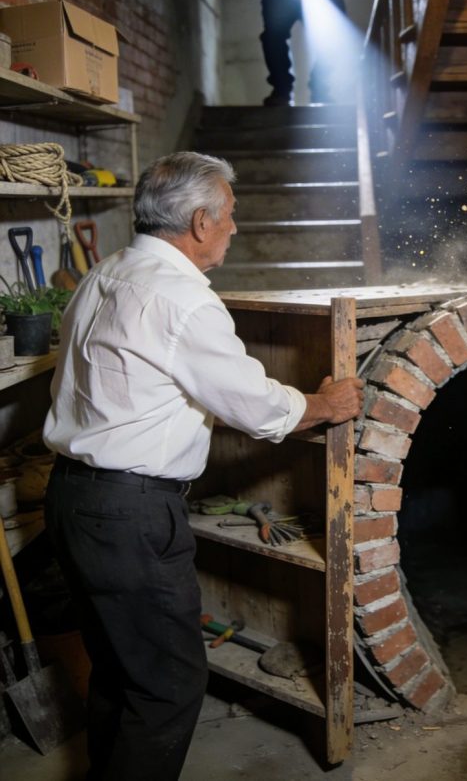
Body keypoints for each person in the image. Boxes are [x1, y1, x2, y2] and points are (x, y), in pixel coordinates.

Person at [43, 151, 364, 781]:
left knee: (119, 667)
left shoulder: (105, 272)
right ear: (198, 221)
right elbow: (254, 404)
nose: (234, 228)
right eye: (229, 217)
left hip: (74, 501)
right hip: (129, 513)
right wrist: (325, 403)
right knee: (168, 684)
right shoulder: (184, 300)